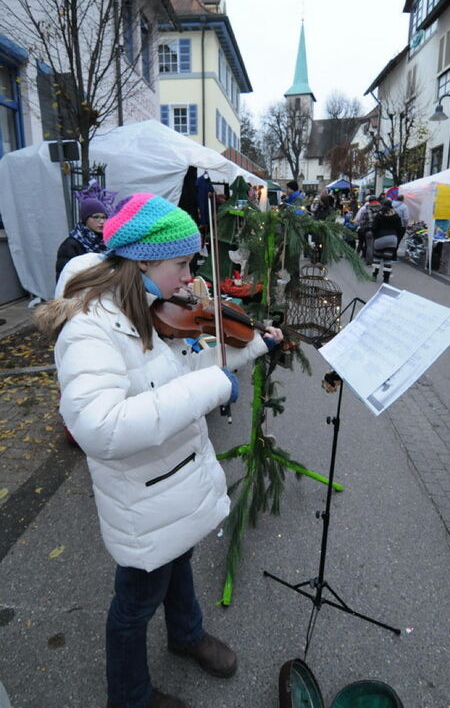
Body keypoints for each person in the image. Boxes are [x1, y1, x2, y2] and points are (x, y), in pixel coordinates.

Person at [36, 193, 283, 708]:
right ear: (143, 260)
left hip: (177, 483)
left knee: (182, 557)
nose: (190, 277)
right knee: (135, 602)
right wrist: (213, 388)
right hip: (143, 497)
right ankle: (128, 697)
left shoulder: (146, 306)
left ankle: (186, 634)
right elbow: (99, 427)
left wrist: (257, 344)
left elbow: (182, 369)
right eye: (183, 263)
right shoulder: (89, 327)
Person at [55, 196, 108, 279]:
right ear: (85, 219)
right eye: (96, 217)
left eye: (104, 217)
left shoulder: (106, 241)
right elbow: (64, 277)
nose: (102, 221)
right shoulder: (71, 245)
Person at [371, 198, 402, 283]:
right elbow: (400, 229)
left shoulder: (379, 215)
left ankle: (374, 276)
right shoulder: (396, 216)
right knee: (387, 259)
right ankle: (386, 278)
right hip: (392, 239)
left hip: (380, 238)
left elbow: (374, 227)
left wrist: (375, 235)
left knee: (377, 257)